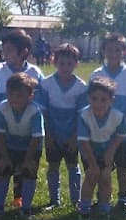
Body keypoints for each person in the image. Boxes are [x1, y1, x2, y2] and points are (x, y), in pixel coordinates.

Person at [0, 29, 44, 209]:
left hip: (24, 131)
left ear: (23, 51)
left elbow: (40, 101)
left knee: (21, 164)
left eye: (9, 49)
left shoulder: (35, 72)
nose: (5, 53)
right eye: (5, 49)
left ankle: (19, 197)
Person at [89, 32, 126, 212]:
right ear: (103, 51)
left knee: (122, 167)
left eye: (118, 50)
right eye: (109, 49)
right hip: (102, 133)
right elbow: (89, 100)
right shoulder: (96, 74)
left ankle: (123, 198)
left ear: (124, 51)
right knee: (102, 167)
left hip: (124, 134)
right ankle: (102, 198)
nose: (113, 53)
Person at [36, 42, 88, 209]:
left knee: (73, 165)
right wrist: (48, 135)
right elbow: (43, 112)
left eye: (69, 63)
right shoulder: (46, 84)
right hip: (53, 135)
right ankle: (54, 200)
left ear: (76, 64)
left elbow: (82, 116)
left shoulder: (81, 87)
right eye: (61, 63)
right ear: (54, 62)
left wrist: (75, 137)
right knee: (53, 166)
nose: (65, 67)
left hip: (72, 135)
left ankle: (75, 200)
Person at [76, 77, 126, 220]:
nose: (98, 103)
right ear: (88, 98)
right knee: (91, 176)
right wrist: (92, 163)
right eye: (94, 99)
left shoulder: (117, 116)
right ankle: (84, 209)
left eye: (103, 99)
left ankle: (104, 209)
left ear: (111, 100)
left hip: (107, 150)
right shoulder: (84, 115)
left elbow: (122, 134)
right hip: (89, 151)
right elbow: (84, 141)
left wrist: (112, 150)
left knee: (106, 178)